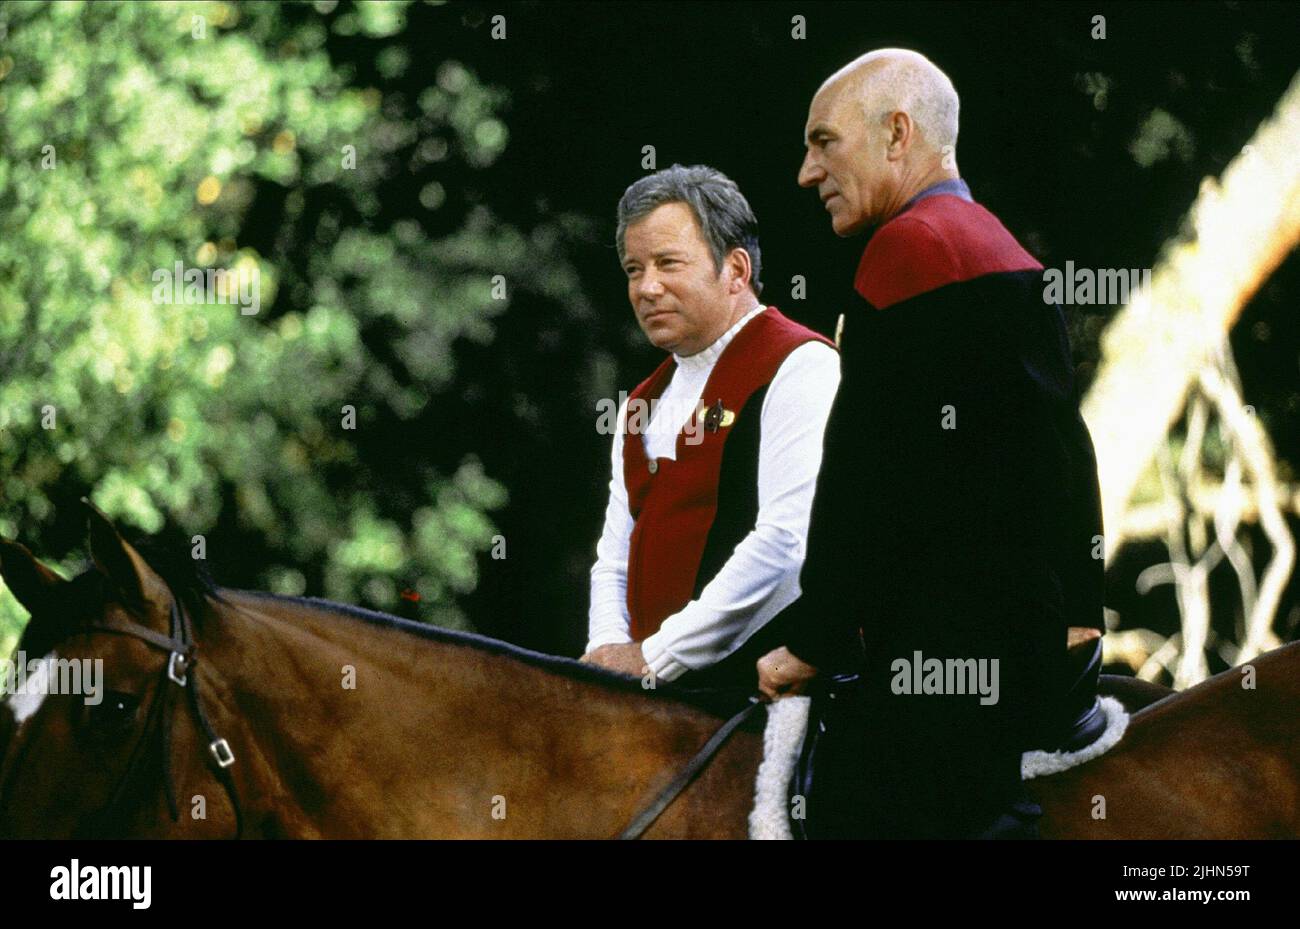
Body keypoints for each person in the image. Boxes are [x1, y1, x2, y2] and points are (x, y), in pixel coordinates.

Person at [761, 49, 1107, 838]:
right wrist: (1082, 608)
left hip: (940, 659)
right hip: (1021, 641)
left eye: (824, 143)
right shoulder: (1002, 248)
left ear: (896, 134)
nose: (806, 172)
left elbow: (863, 479)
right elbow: (1065, 450)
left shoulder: (909, 251)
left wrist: (812, 640)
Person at [580, 164, 840, 693]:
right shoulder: (639, 403)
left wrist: (654, 656)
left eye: (667, 263)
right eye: (633, 269)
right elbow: (614, 557)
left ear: (736, 270)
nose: (646, 287)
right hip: (650, 703)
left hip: (764, 698)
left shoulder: (802, 367)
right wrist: (608, 653)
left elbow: (788, 545)